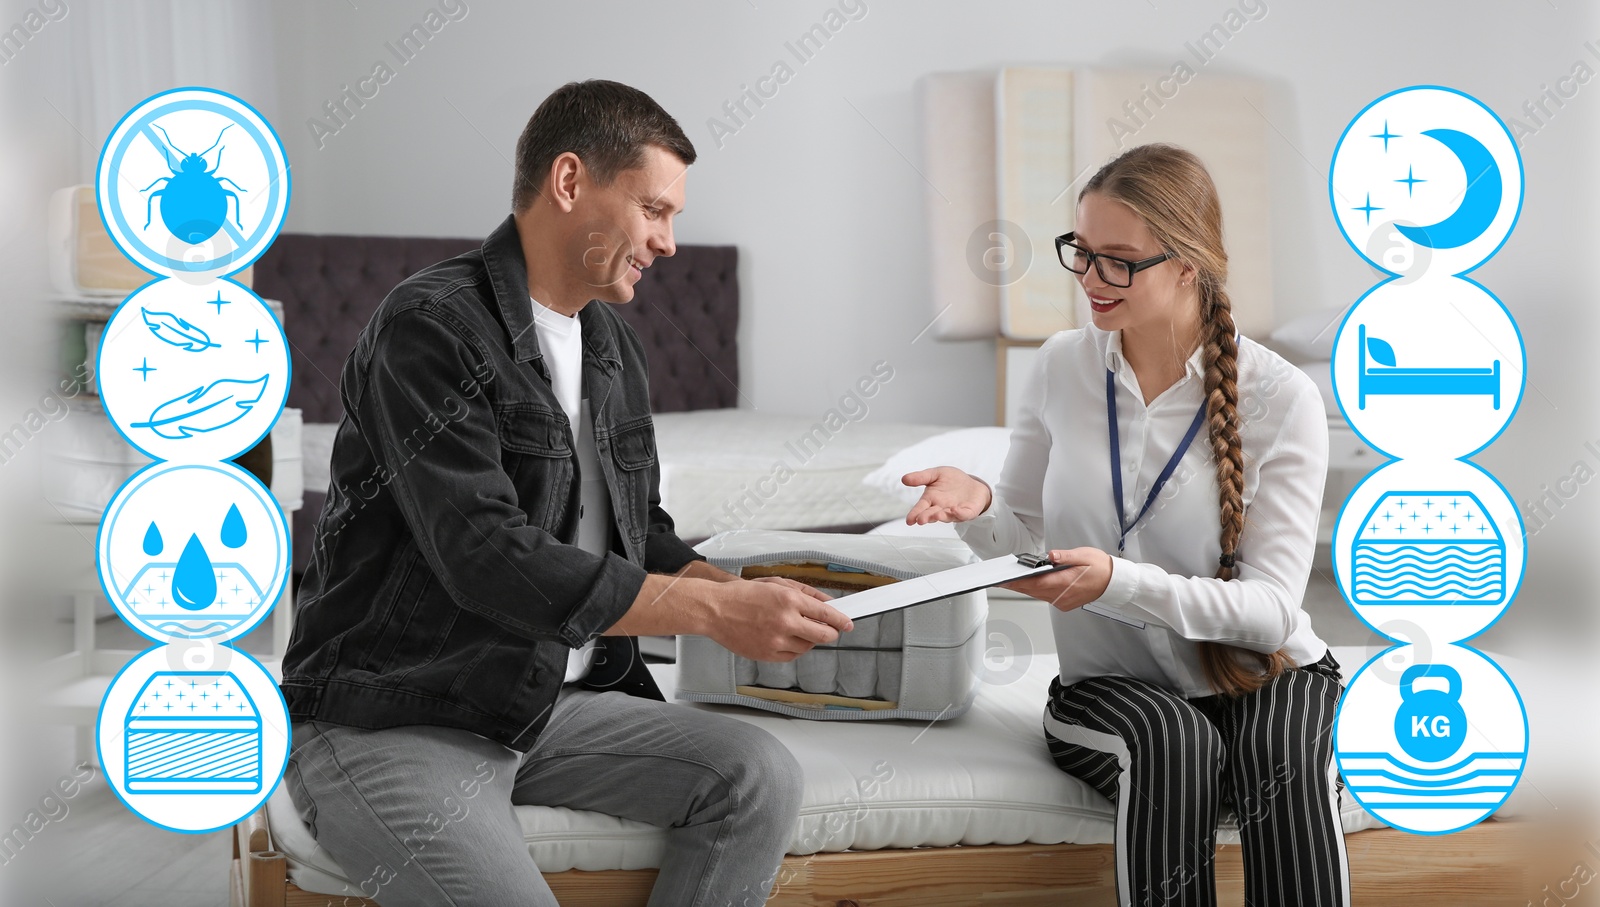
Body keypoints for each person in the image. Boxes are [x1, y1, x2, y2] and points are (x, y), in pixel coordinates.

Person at [279, 79, 854, 907]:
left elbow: (636, 528)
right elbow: (486, 556)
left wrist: (740, 595)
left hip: (544, 701)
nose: (668, 242)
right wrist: (710, 615)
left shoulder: (612, 340)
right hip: (399, 711)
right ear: (571, 181)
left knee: (757, 775)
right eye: (655, 209)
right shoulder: (428, 327)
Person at [903, 143, 1350, 907]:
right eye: (1082, 252)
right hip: (1111, 685)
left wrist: (1119, 581)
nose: (1089, 280)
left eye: (1119, 261)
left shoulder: (1281, 399)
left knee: (1279, 751)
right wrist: (979, 508)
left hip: (1265, 669)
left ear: (1189, 265)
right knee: (1174, 744)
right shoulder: (1059, 367)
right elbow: (1028, 550)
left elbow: (1272, 611)